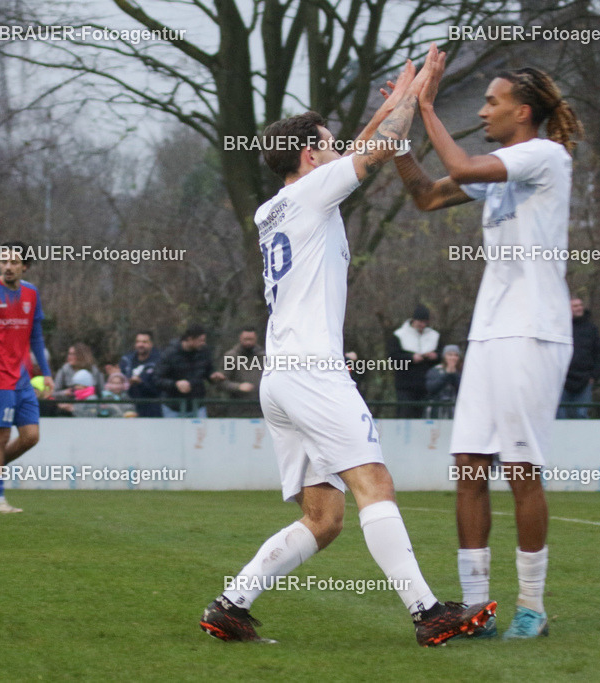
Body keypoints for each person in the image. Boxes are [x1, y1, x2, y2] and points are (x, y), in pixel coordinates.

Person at [200, 56, 495, 647]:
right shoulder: (314, 193)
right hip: (313, 373)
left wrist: (389, 106)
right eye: (327, 145)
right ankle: (427, 611)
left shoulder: (273, 208)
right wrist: (414, 96)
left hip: (279, 380)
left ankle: (232, 605)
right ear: (310, 155)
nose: (337, 151)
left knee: (324, 519)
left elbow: (363, 145)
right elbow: (382, 146)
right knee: (374, 484)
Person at [391, 46, 584, 639]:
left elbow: (467, 167)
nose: (483, 111)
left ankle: (531, 606)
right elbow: (426, 195)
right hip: (491, 331)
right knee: (470, 464)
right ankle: (477, 608)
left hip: (535, 330)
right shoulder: (507, 165)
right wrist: (398, 133)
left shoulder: (545, 155)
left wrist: (426, 106)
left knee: (522, 467)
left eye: (492, 102)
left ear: (523, 112)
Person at [0, 241, 54, 514]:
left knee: (31, 436)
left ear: (24, 266)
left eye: (14, 262)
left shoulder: (31, 293)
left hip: (22, 377)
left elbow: (36, 336)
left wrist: (47, 373)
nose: (8, 266)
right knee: (0, 437)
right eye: (4, 261)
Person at [155, 325, 225, 418]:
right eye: (201, 340)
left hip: (197, 406)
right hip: (173, 407)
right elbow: (157, 379)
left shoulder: (204, 352)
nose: (203, 343)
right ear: (190, 339)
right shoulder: (169, 354)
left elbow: (208, 370)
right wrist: (175, 384)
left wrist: (213, 376)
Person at [387, 305, 439, 418]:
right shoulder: (399, 335)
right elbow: (393, 357)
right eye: (420, 322)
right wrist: (410, 358)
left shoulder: (434, 336)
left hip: (427, 384)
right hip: (405, 385)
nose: (422, 325)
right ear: (413, 320)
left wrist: (434, 356)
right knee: (405, 413)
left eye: (425, 322)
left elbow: (441, 356)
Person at [559, 297, 600, 419]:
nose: (579, 308)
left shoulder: (591, 329)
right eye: (575, 306)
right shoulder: (560, 328)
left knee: (581, 415)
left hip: (584, 380)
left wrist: (594, 376)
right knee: (560, 414)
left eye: (580, 305)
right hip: (562, 380)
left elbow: (599, 354)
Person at [217, 327, 264, 418]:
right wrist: (238, 387)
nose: (249, 342)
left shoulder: (263, 356)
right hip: (238, 407)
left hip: (260, 407)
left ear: (256, 339)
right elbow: (222, 382)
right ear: (240, 339)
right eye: (246, 339)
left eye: (251, 339)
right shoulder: (231, 357)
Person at [118, 331, 162, 417]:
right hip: (128, 407)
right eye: (138, 342)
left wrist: (141, 383)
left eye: (144, 342)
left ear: (151, 344)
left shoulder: (158, 362)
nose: (140, 345)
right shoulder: (126, 360)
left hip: (151, 408)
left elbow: (158, 388)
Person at [425, 344, 462, 419]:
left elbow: (462, 389)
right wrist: (447, 374)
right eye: (450, 355)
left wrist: (453, 374)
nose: (453, 358)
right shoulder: (435, 370)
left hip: (456, 407)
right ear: (444, 356)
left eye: (456, 355)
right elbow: (431, 388)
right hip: (437, 408)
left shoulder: (462, 372)